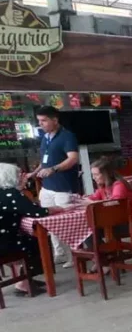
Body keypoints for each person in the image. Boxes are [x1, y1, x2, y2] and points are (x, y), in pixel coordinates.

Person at [0, 162, 64, 296]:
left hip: (4, 239)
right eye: (19, 175)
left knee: (30, 237)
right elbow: (37, 212)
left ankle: (26, 277)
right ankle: (23, 282)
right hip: (5, 245)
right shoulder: (12, 194)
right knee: (38, 240)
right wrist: (55, 209)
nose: (23, 177)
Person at [29, 106, 79, 266]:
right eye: (39, 121)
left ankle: (75, 255)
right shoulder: (45, 138)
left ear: (55, 120)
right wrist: (34, 172)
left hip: (64, 186)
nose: (41, 124)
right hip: (47, 187)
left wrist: (54, 169)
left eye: (44, 120)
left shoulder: (67, 136)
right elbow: (45, 161)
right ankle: (60, 252)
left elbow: (72, 159)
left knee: (68, 222)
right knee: (50, 221)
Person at [82, 157, 132, 246]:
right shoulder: (103, 187)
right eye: (92, 175)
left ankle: (106, 256)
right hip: (120, 221)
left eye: (96, 174)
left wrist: (91, 203)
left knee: (89, 232)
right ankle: (106, 256)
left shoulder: (119, 185)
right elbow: (93, 197)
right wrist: (81, 199)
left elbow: (115, 203)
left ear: (106, 174)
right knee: (86, 231)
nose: (94, 178)